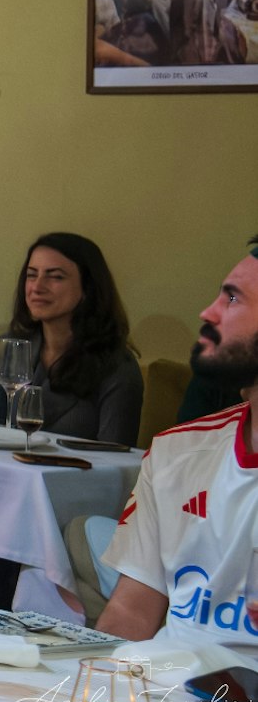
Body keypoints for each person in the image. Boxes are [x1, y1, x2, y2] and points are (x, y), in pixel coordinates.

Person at [96, 237, 258, 647]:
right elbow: (131, 612)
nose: (208, 312)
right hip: (169, 691)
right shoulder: (176, 452)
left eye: (234, 298)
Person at [0, 233, 142, 445]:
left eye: (55, 277)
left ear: (87, 289)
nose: (37, 287)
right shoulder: (10, 347)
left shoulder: (118, 366)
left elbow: (117, 463)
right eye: (31, 275)